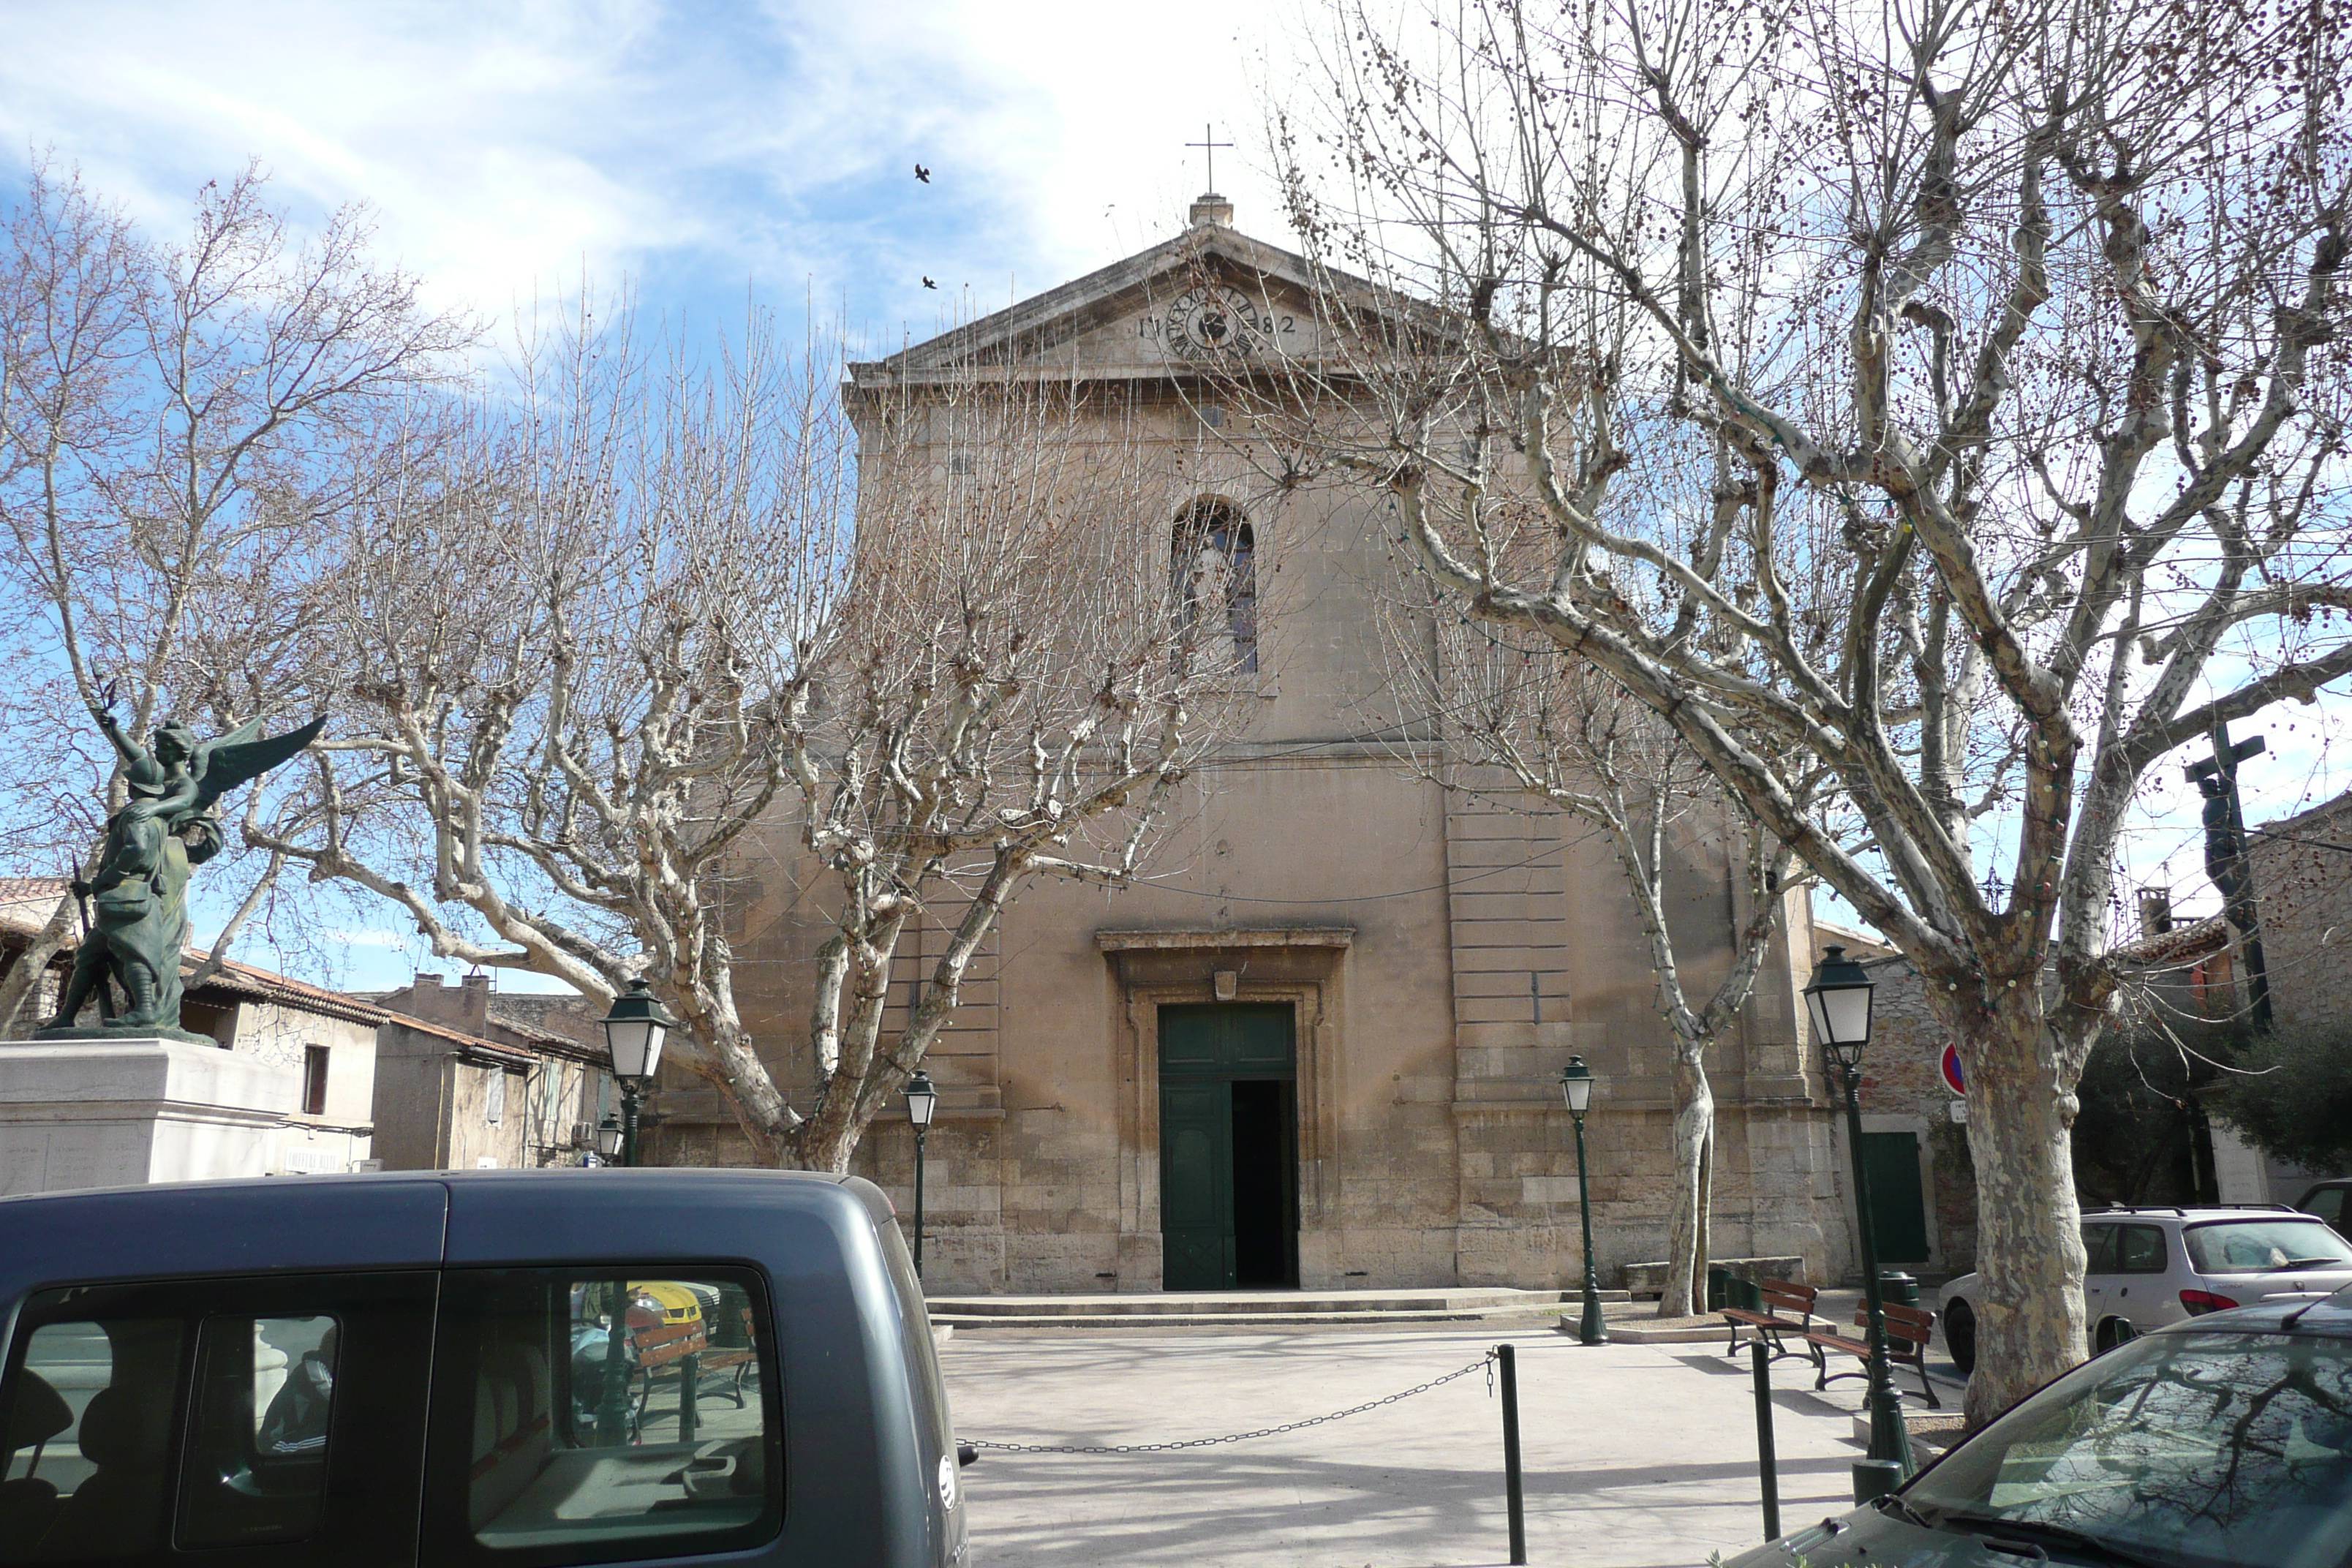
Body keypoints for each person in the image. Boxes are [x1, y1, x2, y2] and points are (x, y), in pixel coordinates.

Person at [258, 1324, 337, 1455]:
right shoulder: (313, 1368)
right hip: (278, 1444)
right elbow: (334, 1400)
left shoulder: (329, 1368)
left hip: (303, 1434)